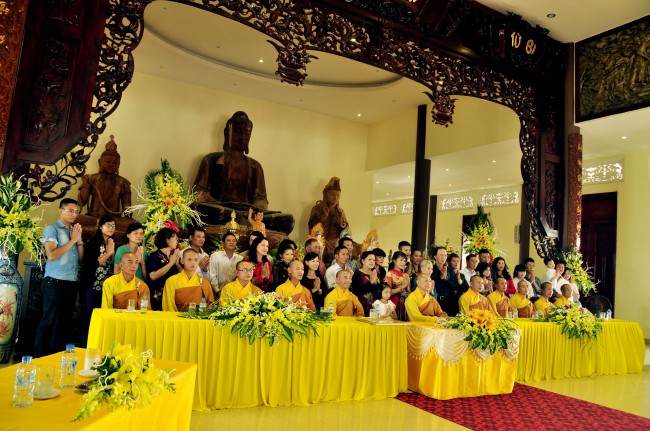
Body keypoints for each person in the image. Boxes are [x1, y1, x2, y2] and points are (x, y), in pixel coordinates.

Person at [193, 111, 294, 234]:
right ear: (227, 133)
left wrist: (252, 209)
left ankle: (243, 219)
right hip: (222, 210)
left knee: (287, 220)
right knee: (201, 210)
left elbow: (261, 200)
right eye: (237, 131)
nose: (241, 137)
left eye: (246, 133)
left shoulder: (255, 166)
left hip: (248, 213)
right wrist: (220, 204)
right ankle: (240, 219)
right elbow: (199, 193)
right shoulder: (211, 160)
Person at [34, 198, 84, 357]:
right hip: (54, 281)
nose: (74, 214)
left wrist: (79, 241)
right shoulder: (52, 229)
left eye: (76, 212)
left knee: (64, 323)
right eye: (70, 211)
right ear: (61, 211)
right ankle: (39, 357)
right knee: (49, 321)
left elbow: (81, 259)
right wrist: (73, 240)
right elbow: (52, 255)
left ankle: (56, 357)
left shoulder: (74, 231)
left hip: (71, 282)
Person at [79, 215, 115, 345]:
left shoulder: (111, 243)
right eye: (108, 225)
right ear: (100, 227)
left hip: (105, 287)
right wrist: (108, 253)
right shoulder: (94, 243)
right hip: (91, 286)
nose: (111, 228)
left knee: (101, 319)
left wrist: (111, 252)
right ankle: (85, 346)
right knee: (88, 318)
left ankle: (97, 346)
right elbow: (89, 265)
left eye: (113, 226)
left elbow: (111, 265)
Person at [77, 136, 132, 218]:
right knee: (79, 219)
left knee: (128, 223)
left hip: (113, 219)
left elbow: (127, 206)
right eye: (107, 161)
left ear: (119, 165)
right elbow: (81, 202)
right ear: (99, 162)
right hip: (94, 217)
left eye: (114, 162)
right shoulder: (91, 178)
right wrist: (86, 186)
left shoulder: (124, 183)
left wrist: (127, 214)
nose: (111, 165)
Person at [308, 177, 350, 254]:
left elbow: (346, 231)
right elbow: (311, 228)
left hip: (335, 243)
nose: (336, 198)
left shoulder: (340, 212)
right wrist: (321, 218)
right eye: (332, 195)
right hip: (320, 242)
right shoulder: (317, 209)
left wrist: (342, 225)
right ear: (325, 195)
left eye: (338, 195)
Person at [146, 227, 180, 310]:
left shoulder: (172, 256)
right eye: (174, 238)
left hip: (171, 295)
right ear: (167, 239)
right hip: (158, 296)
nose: (177, 241)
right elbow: (153, 276)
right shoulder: (155, 256)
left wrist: (177, 263)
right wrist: (171, 263)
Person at [431, 246, 461, 316]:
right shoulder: (431, 269)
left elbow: (456, 286)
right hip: (436, 301)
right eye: (441, 255)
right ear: (435, 256)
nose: (444, 257)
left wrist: (447, 280)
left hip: (449, 302)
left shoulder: (450, 270)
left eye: (445, 255)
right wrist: (440, 278)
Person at [351, 251, 382, 316]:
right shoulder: (357, 274)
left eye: (373, 260)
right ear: (363, 261)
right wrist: (370, 282)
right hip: (361, 305)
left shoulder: (375, 273)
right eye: (369, 259)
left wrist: (376, 283)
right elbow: (357, 291)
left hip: (375, 306)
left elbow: (379, 291)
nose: (372, 262)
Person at [384, 251, 410, 319]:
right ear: (394, 260)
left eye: (404, 261)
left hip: (404, 302)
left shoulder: (405, 275)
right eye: (401, 260)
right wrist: (401, 287)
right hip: (393, 301)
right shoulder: (390, 274)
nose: (403, 263)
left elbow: (408, 291)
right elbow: (388, 292)